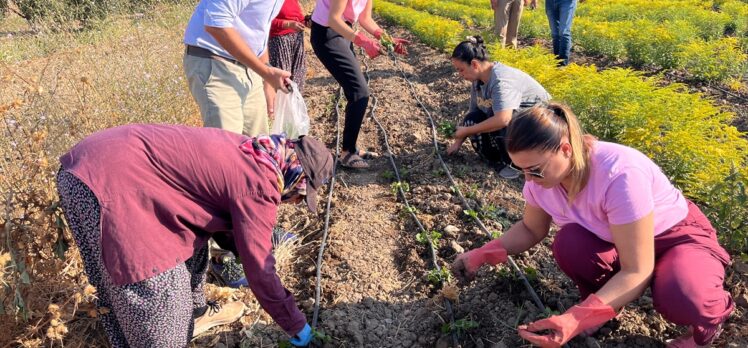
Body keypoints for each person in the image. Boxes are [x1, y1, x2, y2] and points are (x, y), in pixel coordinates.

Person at [451, 102, 733, 347]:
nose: (527, 179)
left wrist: (575, 318)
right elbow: (531, 229)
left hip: (674, 236)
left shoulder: (618, 174)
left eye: (534, 169)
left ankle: (710, 320)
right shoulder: (541, 181)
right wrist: (483, 254)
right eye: (519, 168)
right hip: (620, 239)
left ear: (565, 149)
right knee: (570, 243)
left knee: (683, 295)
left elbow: (638, 270)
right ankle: (606, 305)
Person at [56, 124, 334, 347]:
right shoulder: (259, 184)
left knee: (192, 247)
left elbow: (223, 221)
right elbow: (259, 268)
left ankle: (193, 316)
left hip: (87, 165)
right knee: (153, 290)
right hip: (109, 183)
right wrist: (295, 322)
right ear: (298, 175)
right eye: (300, 195)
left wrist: (242, 247)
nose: (295, 202)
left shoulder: (255, 152)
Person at [310, 0, 408, 169]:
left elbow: (365, 18)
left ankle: (351, 148)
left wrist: (386, 39)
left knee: (355, 91)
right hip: (327, 33)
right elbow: (333, 19)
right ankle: (347, 153)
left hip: (343, 31)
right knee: (359, 92)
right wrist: (363, 42)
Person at [446, 36, 551, 179]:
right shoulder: (478, 81)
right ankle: (498, 160)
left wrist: (467, 130)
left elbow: (503, 119)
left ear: (475, 64)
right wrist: (458, 141)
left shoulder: (501, 80)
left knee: (497, 116)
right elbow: (474, 112)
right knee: (473, 119)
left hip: (540, 128)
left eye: (461, 70)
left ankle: (516, 165)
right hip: (517, 122)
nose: (460, 75)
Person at [183, 0, 292, 136]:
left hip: (249, 65)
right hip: (216, 63)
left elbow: (258, 30)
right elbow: (216, 23)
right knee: (228, 145)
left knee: (259, 144)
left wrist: (267, 79)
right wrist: (265, 72)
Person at [269, 0, 308, 93]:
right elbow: (262, 20)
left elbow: (296, 14)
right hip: (279, 39)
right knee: (283, 79)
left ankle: (295, 103)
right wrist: (287, 24)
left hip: (296, 36)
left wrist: (306, 21)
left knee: (298, 75)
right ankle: (279, 105)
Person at [528, 0, 577, 66]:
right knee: (555, 33)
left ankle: (563, 64)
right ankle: (556, 62)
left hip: (567, 2)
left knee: (564, 32)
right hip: (550, 2)